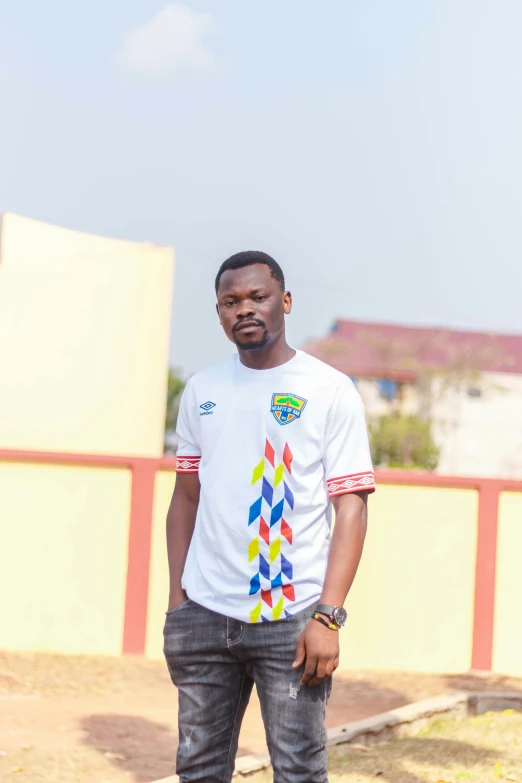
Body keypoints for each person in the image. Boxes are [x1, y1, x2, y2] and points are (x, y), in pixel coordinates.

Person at [164, 250, 375, 783]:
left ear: (284, 301)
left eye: (258, 297)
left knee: (298, 770)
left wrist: (328, 616)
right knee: (198, 769)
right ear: (218, 313)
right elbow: (185, 497)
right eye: (231, 302)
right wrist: (177, 601)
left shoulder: (328, 389)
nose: (245, 309)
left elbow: (350, 505)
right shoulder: (202, 391)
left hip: (292, 619)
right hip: (204, 614)